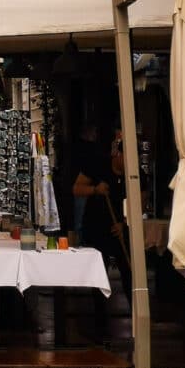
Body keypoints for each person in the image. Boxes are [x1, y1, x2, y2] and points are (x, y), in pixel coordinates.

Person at [72, 127, 132, 336]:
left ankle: (138, 316)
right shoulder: (98, 165)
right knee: (100, 274)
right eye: (125, 156)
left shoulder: (135, 173)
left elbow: (141, 202)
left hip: (121, 229)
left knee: (128, 272)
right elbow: (77, 188)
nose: (128, 162)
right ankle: (100, 324)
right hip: (97, 227)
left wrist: (124, 223)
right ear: (117, 154)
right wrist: (95, 189)